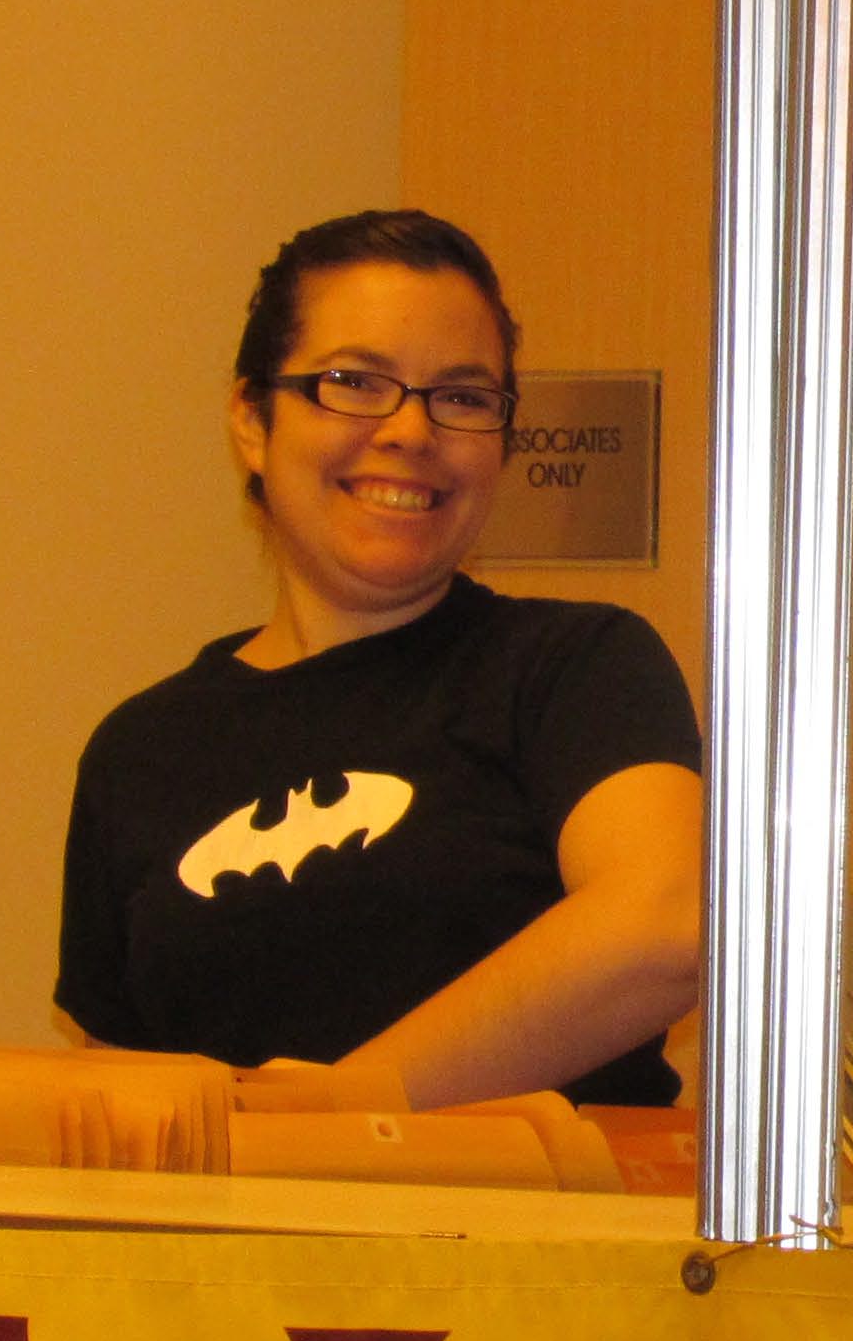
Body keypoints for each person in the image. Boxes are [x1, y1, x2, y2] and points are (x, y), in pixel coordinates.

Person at [56, 209, 703, 1105]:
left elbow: (666, 922)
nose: (410, 431)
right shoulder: (140, 750)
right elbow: (118, 1106)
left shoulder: (575, 669)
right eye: (355, 383)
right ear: (252, 419)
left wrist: (323, 1121)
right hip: (237, 1203)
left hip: (530, 1205)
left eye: (463, 398)